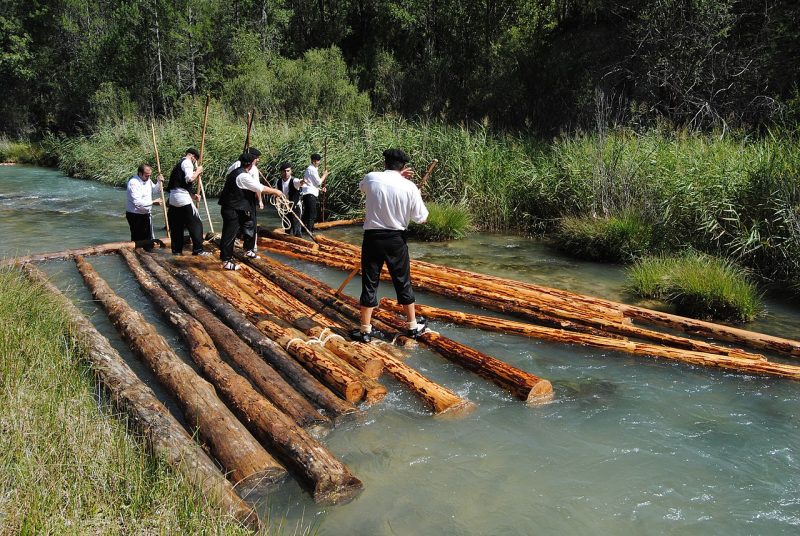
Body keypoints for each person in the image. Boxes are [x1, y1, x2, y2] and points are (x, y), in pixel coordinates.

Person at [350, 148, 429, 343]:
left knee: (370, 282)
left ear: (385, 163)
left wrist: (401, 179)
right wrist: (415, 192)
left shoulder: (371, 178)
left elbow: (363, 187)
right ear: (403, 167)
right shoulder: (409, 187)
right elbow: (421, 219)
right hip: (396, 239)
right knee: (402, 281)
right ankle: (412, 326)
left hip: (372, 238)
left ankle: (365, 331)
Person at [218, 152, 284, 271]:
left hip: (238, 208)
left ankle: (248, 249)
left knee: (249, 224)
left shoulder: (240, 171)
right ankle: (226, 261)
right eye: (255, 161)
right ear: (251, 163)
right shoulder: (242, 176)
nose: (256, 162)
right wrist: (275, 191)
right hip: (232, 209)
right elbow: (260, 188)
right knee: (229, 234)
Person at [165, 147, 209, 256]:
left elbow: (180, 185)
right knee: (196, 223)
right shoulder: (187, 162)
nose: (195, 163)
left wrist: (193, 196)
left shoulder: (179, 163)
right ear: (193, 156)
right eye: (195, 160)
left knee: (177, 225)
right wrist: (197, 171)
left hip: (174, 198)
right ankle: (198, 250)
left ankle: (176, 251)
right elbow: (189, 178)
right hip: (182, 198)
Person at [125, 163, 163, 249]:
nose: (148, 177)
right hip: (135, 215)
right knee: (138, 240)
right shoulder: (133, 183)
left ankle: (147, 255)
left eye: (150, 175)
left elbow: (155, 190)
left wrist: (158, 182)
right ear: (140, 173)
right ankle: (138, 257)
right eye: (146, 175)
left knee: (148, 240)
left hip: (145, 214)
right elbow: (137, 202)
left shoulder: (148, 180)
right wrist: (153, 202)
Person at [300, 152, 329, 235]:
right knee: (312, 214)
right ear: (313, 161)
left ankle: (302, 230)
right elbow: (319, 182)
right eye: (316, 161)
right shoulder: (312, 169)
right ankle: (310, 232)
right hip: (310, 195)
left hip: (308, 194)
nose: (318, 162)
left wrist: (320, 189)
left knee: (307, 213)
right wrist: (324, 175)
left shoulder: (311, 169)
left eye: (318, 161)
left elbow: (312, 184)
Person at [275, 162, 303, 236]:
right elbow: (277, 194)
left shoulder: (294, 180)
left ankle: (299, 242)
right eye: (284, 171)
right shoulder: (278, 182)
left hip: (295, 207)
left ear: (291, 171)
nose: (286, 173)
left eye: (288, 171)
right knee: (287, 227)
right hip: (285, 207)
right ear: (281, 172)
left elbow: (299, 182)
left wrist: (302, 181)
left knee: (296, 228)